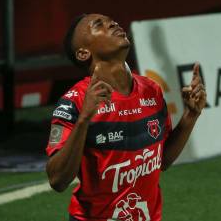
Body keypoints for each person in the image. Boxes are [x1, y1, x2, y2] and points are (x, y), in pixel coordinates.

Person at [45, 13, 206, 220]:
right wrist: (84, 119)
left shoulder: (151, 90)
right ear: (83, 53)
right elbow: (57, 180)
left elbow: (162, 161)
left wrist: (190, 116)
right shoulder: (73, 102)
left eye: (110, 20)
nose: (112, 23)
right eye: (98, 24)